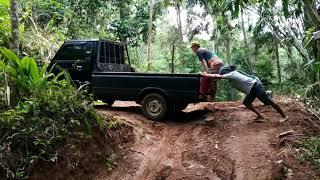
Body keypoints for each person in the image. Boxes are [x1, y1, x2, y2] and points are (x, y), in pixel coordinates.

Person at [202, 65, 288, 122]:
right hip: (251, 90)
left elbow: (217, 76)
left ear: (225, 73)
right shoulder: (230, 77)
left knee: (269, 102)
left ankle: (284, 116)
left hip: (256, 87)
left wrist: (204, 75)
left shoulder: (232, 74)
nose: (221, 75)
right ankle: (260, 116)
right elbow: (218, 77)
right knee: (246, 102)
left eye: (222, 73)